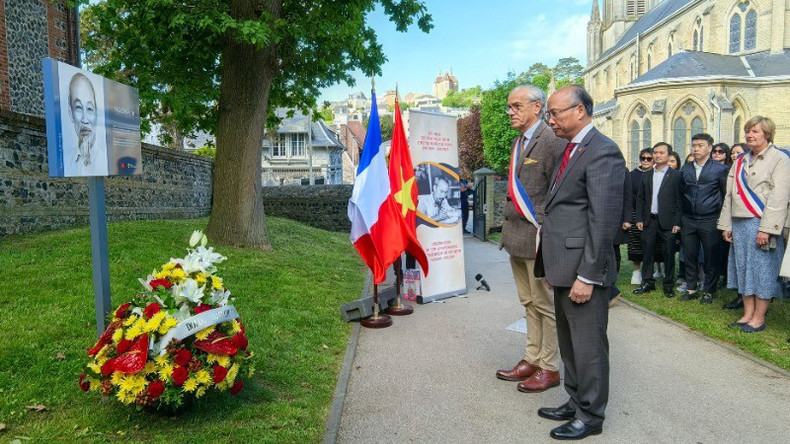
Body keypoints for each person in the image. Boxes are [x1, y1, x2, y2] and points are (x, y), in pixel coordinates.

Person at [535, 86, 624, 440]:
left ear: (581, 111)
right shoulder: (570, 150)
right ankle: (576, 400)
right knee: (570, 342)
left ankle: (590, 416)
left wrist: (588, 275)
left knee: (588, 346)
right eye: (549, 114)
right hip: (563, 266)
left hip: (583, 270)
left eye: (555, 113)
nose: (550, 119)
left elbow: (602, 221)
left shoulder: (603, 152)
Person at [497, 86, 566, 393]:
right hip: (515, 236)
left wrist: (550, 235)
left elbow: (560, 191)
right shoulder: (519, 141)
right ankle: (531, 358)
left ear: (537, 107)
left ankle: (549, 367)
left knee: (544, 304)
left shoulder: (551, 141)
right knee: (528, 302)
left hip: (537, 237)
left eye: (517, 106)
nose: (510, 111)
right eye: (509, 107)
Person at [719, 116, 790, 333]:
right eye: (748, 131)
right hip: (739, 224)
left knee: (762, 271)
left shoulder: (780, 159)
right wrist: (726, 225)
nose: (750, 135)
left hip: (762, 223)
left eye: (755, 131)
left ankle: (759, 317)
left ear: (767, 134)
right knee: (743, 269)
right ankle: (747, 314)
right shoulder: (740, 160)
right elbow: (729, 195)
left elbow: (779, 197)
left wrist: (766, 229)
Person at [678, 133, 729, 304]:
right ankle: (691, 288)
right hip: (689, 219)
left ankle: (709, 290)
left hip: (710, 219)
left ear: (709, 148)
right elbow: (681, 194)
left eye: (700, 145)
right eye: (694, 145)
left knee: (711, 256)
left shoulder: (720, 169)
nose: (696, 148)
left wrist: (723, 220)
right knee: (690, 255)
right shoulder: (685, 169)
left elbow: (725, 195)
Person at [633, 142, 682, 298]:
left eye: (661, 152)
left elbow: (680, 201)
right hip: (649, 221)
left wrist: (677, 222)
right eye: (655, 152)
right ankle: (647, 282)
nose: (658, 155)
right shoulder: (647, 175)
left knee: (668, 254)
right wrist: (640, 218)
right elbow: (640, 198)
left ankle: (668, 284)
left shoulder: (676, 175)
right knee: (647, 253)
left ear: (668, 155)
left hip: (668, 222)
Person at [66, 73, 106, 176]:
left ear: (96, 113)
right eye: (78, 107)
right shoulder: (66, 160)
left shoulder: (107, 161)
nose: (85, 119)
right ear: (71, 113)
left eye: (89, 108)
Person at [627, 148, 654, 285]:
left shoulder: (657, 175)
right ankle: (636, 272)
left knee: (655, 244)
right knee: (636, 244)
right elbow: (629, 195)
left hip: (653, 214)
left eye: (649, 158)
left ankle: (657, 269)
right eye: (643, 158)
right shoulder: (632, 175)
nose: (645, 161)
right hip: (635, 214)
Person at [609, 168, 632, 308]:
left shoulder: (623, 171)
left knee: (614, 251)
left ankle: (612, 286)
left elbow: (628, 196)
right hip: (599, 216)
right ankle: (610, 289)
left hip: (617, 217)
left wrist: (628, 219)